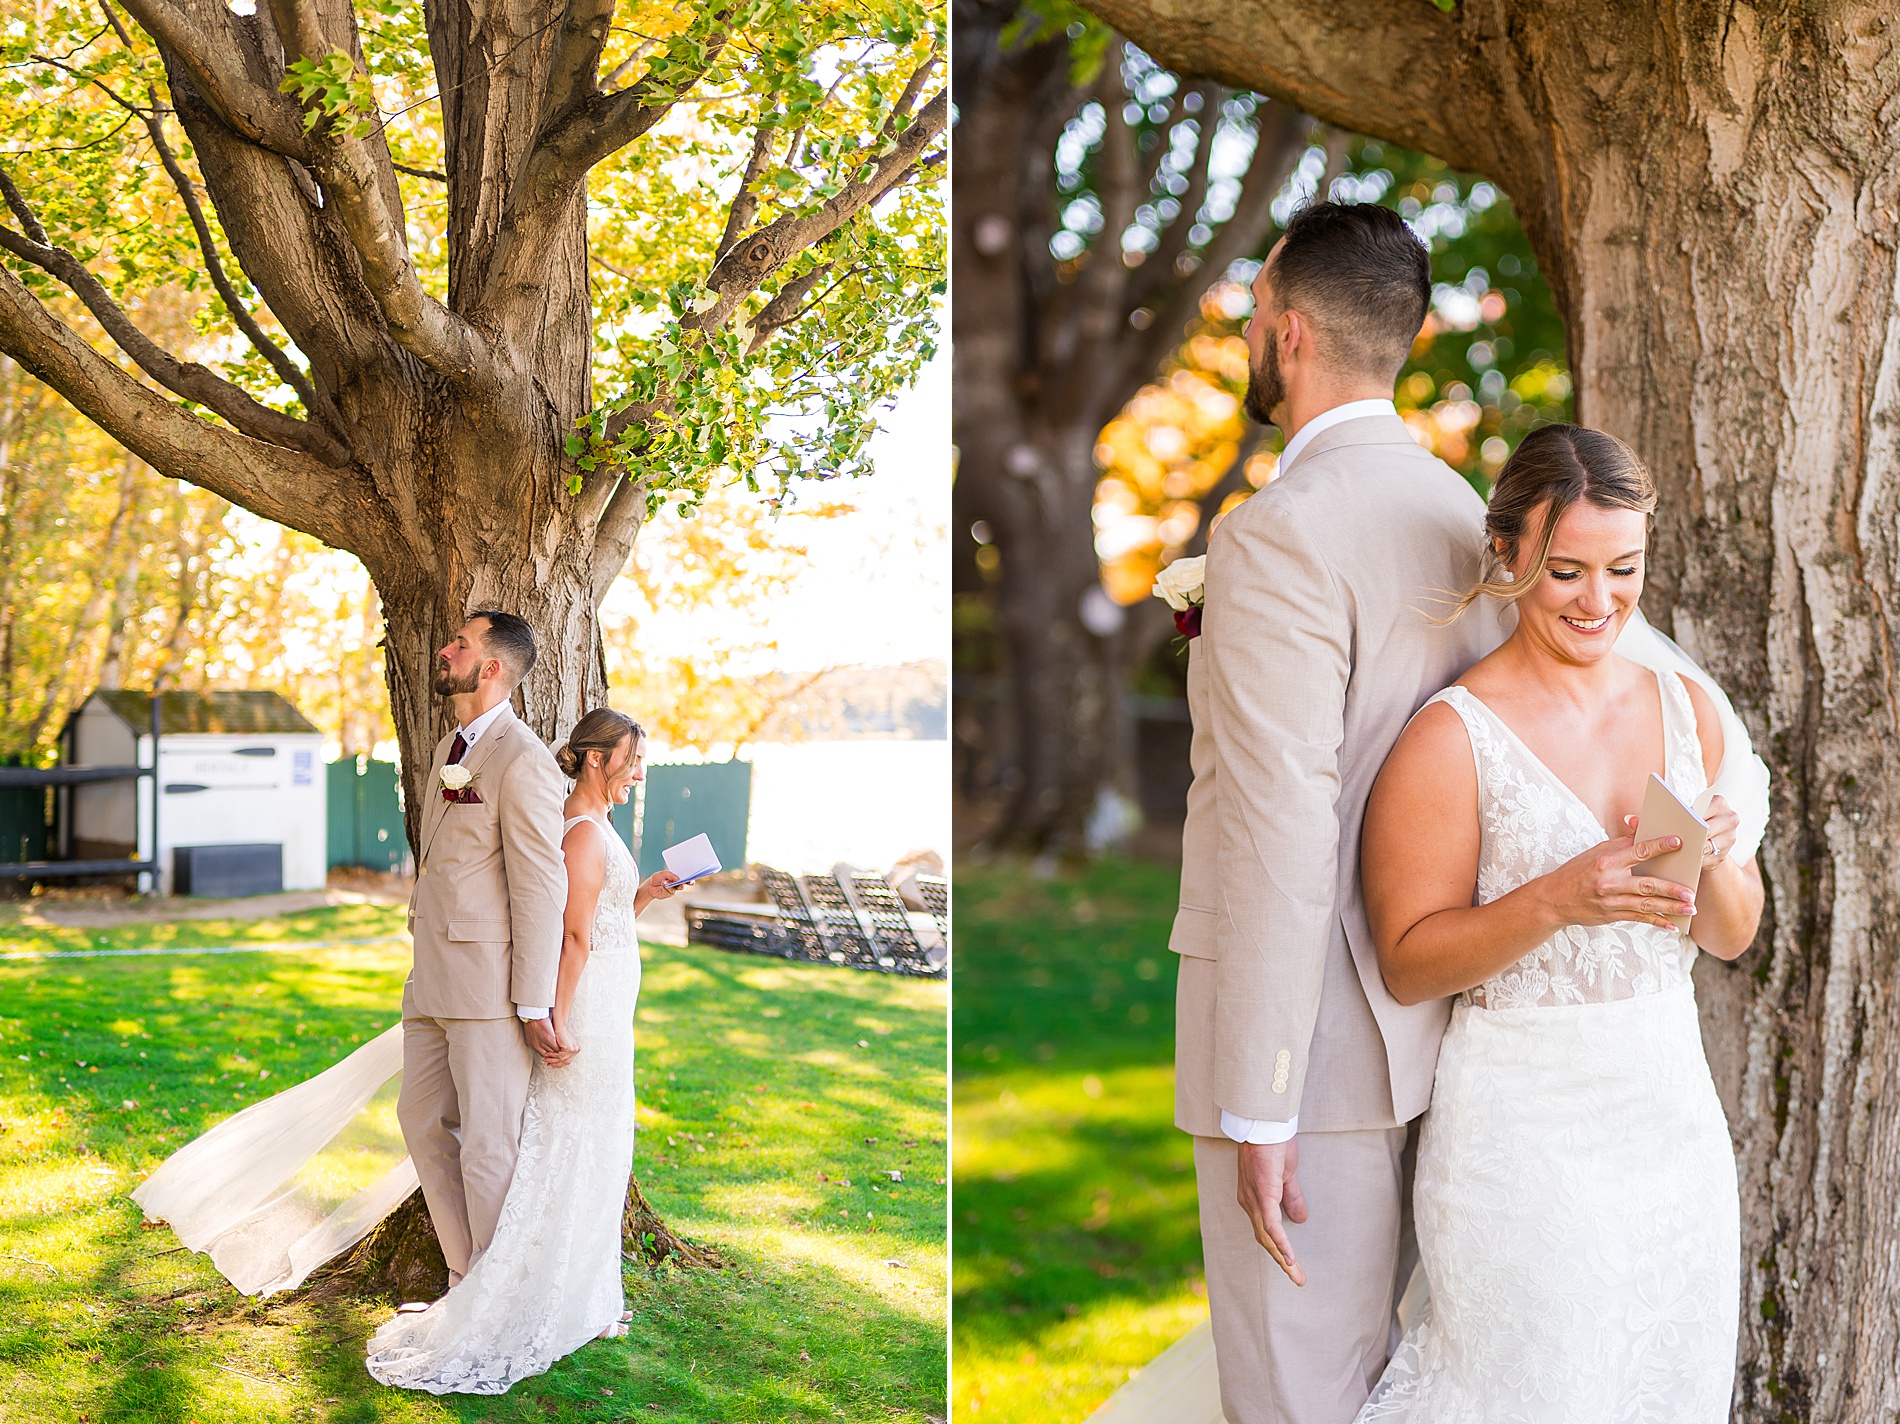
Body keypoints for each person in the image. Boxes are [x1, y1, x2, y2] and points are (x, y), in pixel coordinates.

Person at [1353, 425, 1759, 1418]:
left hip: (1669, 1118)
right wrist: (1553, 899)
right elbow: (1407, 964)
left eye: (1622, 569)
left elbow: (1730, 934)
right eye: (1566, 570)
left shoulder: (1684, 710)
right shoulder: (1451, 737)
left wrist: (1711, 858)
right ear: (1508, 555)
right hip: (1521, 1131)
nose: (1598, 600)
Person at [367, 707, 683, 1393]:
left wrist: (648, 895)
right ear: (598, 759)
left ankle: (586, 1300)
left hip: (605, 1008)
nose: (638, 773)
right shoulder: (577, 831)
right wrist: (557, 1018)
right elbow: (569, 939)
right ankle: (519, 1289)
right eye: (632, 760)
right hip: (584, 1016)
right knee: (568, 1148)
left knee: (598, 1151)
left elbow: (598, 925)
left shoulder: (596, 828)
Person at [399, 611, 568, 1288]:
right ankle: (465, 1273)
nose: (446, 649)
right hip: (430, 980)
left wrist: (532, 1001)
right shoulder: (449, 749)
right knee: (420, 1120)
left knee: (489, 1148)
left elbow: (539, 887)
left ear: (491, 667)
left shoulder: (524, 759)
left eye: (460, 644)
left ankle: (498, 1297)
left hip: (490, 988)